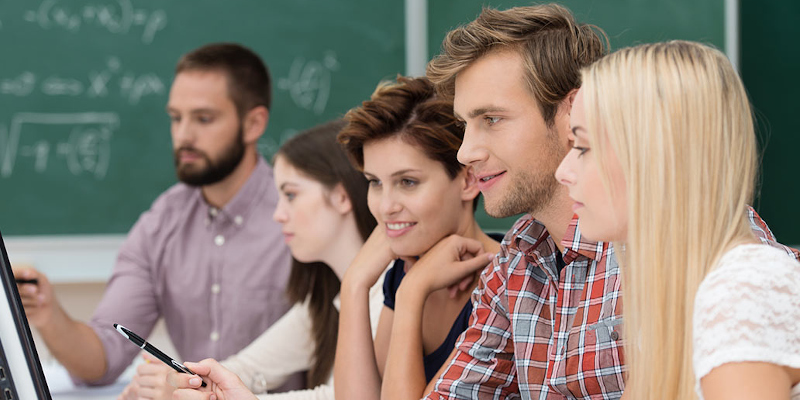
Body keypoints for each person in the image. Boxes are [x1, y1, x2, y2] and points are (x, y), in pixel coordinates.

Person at [419, 4, 794, 399]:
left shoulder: (729, 269)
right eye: (465, 125)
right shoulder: (518, 254)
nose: (464, 153)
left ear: (571, 111)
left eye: (491, 119)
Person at [13, 42, 297, 389]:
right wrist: (48, 314)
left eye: (203, 119)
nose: (183, 135)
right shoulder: (162, 222)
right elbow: (102, 361)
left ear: (254, 124)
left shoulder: (299, 215)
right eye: (176, 118)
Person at [555, 40, 800, 400]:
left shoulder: (743, 287)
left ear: (655, 157)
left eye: (583, 147)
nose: (564, 172)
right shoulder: (676, 290)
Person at [137, 119, 383, 400]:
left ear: (341, 196)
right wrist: (183, 382)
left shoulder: (387, 293)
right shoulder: (326, 299)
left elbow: (340, 397)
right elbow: (246, 369)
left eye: (291, 195)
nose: (278, 214)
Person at [333, 75, 501, 400]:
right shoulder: (404, 272)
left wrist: (413, 292)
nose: (385, 207)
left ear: (468, 180)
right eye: (375, 182)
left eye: (407, 182)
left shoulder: (503, 284)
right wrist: (354, 285)